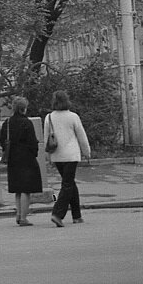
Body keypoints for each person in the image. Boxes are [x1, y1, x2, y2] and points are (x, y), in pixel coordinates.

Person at [44, 90, 91, 227]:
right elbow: (81, 136)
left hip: (57, 155)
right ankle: (57, 214)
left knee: (69, 183)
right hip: (71, 155)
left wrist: (47, 156)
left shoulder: (49, 117)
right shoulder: (73, 117)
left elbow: (46, 138)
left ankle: (77, 215)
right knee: (67, 185)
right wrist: (86, 151)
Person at [0, 96, 42, 226]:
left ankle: (18, 214)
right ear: (24, 108)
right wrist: (34, 153)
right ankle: (23, 217)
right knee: (26, 189)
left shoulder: (7, 123)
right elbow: (32, 142)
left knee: (17, 189)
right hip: (26, 158)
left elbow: (2, 141)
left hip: (12, 158)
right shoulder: (26, 123)